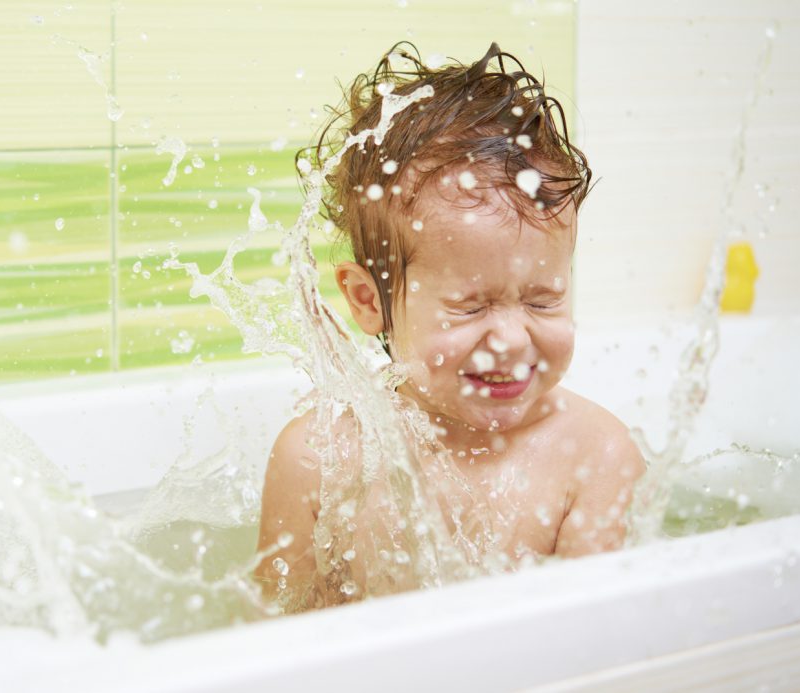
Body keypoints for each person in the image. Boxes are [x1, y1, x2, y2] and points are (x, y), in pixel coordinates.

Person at [254, 42, 646, 610]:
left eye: (543, 300)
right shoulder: (315, 460)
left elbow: (598, 641)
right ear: (370, 301)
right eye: (471, 306)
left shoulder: (595, 456)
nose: (512, 339)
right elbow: (271, 639)